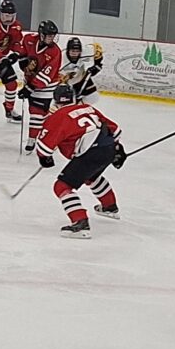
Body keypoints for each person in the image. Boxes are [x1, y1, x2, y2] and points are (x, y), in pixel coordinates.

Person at [34, 85, 126, 238]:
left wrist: (45, 158)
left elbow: (44, 148)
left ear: (55, 101)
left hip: (90, 153)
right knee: (91, 176)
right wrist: (117, 149)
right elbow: (115, 130)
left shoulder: (57, 116)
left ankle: (80, 222)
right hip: (108, 147)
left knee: (62, 186)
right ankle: (109, 206)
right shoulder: (87, 108)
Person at [16, 20, 66, 150]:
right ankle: (40, 128)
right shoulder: (29, 39)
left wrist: (29, 88)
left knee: (36, 112)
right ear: (41, 35)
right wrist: (21, 60)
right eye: (49, 36)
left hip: (47, 87)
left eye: (53, 36)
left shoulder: (55, 52)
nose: (52, 38)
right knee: (33, 110)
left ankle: (32, 140)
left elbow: (47, 75)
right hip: (30, 82)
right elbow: (23, 51)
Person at [60, 37, 104, 103]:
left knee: (93, 97)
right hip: (67, 85)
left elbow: (97, 49)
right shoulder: (61, 60)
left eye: (77, 51)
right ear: (68, 50)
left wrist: (97, 65)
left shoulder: (85, 52)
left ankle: (79, 107)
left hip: (82, 79)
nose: (75, 54)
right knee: (68, 102)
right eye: (72, 51)